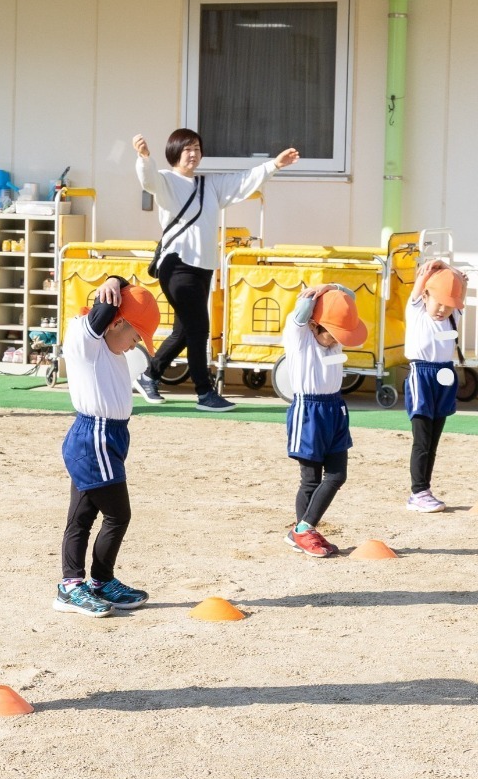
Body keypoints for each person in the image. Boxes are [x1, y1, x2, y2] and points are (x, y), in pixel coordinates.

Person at [131, 129, 298, 410]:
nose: (193, 153)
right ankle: (204, 393)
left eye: (196, 147)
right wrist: (144, 157)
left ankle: (150, 375)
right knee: (199, 330)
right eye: (187, 149)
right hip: (177, 266)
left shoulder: (209, 185)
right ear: (174, 152)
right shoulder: (166, 180)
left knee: (185, 330)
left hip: (203, 268)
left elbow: (242, 181)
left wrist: (274, 165)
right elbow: (148, 182)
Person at [56, 277, 159, 617]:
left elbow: (120, 299)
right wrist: (111, 290)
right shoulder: (85, 341)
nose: (135, 345)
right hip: (93, 438)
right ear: (116, 322)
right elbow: (102, 312)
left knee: (83, 516)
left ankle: (74, 585)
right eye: (135, 336)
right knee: (118, 514)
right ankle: (95, 582)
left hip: (109, 437)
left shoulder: (107, 344)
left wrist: (118, 281)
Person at [280, 284, 364, 557]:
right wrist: (315, 293)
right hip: (309, 410)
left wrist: (334, 288)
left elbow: (347, 300)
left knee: (338, 475)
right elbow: (301, 312)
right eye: (332, 333)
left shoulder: (334, 338)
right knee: (311, 479)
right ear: (315, 325)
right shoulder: (300, 336)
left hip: (336, 408)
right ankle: (304, 530)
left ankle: (304, 529)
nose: (337, 339)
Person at [403, 262, 464, 512]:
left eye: (448, 305)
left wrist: (450, 270)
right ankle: (417, 492)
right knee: (422, 439)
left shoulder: (453, 317)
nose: (442, 309)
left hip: (445, 376)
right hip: (422, 375)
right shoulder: (416, 312)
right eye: (438, 302)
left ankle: (425, 489)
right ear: (426, 296)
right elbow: (417, 291)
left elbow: (459, 286)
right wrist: (429, 271)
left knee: (434, 441)